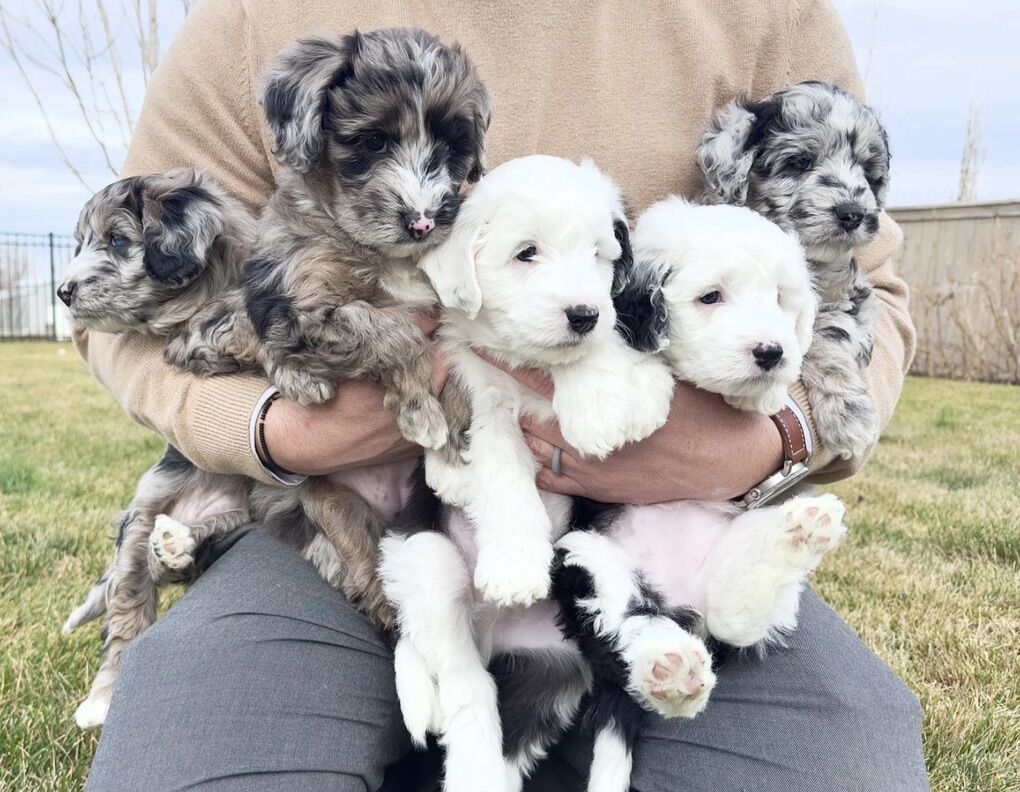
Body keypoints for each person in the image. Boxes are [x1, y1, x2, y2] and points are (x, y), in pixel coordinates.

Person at [78, 1, 928, 790]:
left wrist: (774, 439)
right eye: (372, 149)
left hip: (664, 529)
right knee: (195, 747)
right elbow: (120, 302)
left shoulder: (765, 15)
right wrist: (273, 430)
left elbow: (869, 284)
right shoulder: (250, 20)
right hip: (335, 520)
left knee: (845, 748)